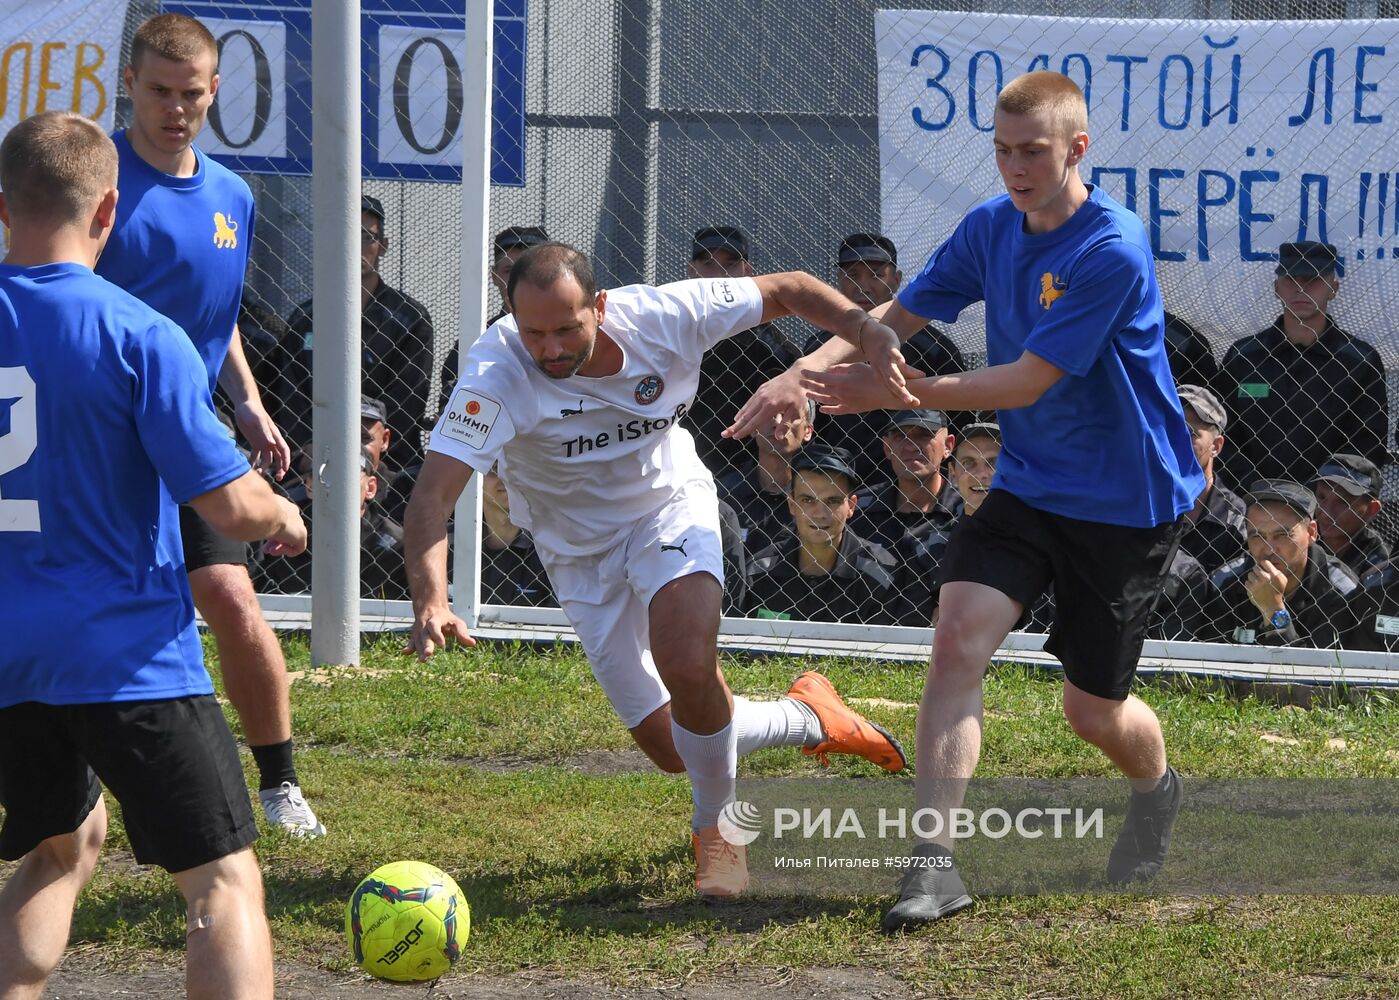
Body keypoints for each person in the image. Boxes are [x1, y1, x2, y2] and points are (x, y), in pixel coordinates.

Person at [741, 71, 1204, 928]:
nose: (1015, 167)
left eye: (1032, 151)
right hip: (1028, 487)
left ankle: (1156, 787)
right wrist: (793, 375)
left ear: (1077, 149)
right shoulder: (991, 226)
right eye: (1001, 149)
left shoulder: (1111, 245)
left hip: (1124, 501)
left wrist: (901, 397)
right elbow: (895, 317)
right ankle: (933, 865)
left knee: (1091, 709)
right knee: (955, 642)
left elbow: (1027, 382)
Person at [405, 242, 909, 898]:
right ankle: (809, 716)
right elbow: (431, 498)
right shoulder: (493, 374)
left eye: (567, 329)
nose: (551, 349)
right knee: (675, 747)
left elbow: (787, 287)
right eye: (534, 332)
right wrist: (431, 600)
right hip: (577, 555)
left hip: (668, 510)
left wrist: (866, 329)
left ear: (601, 306)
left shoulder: (665, 314)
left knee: (685, 659)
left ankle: (719, 832)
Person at [0, 110, 307, 1000]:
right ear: (107, 214)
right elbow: (226, 502)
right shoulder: (140, 335)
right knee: (222, 882)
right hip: (127, 661)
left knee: (66, 843)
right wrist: (282, 513)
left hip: (11, 662)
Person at [92, 13, 322, 836]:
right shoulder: (97, 183)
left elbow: (213, 314)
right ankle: (80, 784)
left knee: (231, 596)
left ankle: (279, 784)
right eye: (159, 91)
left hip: (188, 437)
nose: (175, 108)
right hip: (100, 444)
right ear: (130, 84)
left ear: (215, 92)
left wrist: (249, 399)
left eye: (191, 94)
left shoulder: (233, 195)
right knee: (99, 607)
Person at [278, 193, 436, 475]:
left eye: (367, 237)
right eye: (346, 235)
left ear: (383, 246)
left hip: (389, 465)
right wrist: (307, 448)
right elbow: (288, 393)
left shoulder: (410, 319)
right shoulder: (306, 317)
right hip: (313, 461)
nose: (356, 246)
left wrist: (365, 447)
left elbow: (408, 400)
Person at [1213, 241, 1389, 488]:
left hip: (1330, 509)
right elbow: (1222, 434)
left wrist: (1323, 494)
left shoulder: (1359, 362)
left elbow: (1367, 443)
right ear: (1276, 288)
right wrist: (1257, 493)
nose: (1301, 289)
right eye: (1291, 279)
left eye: (1314, 279)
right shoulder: (1244, 357)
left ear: (1333, 288)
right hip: (1250, 503)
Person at [819, 233, 967, 485]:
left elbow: (959, 422)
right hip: (840, 488)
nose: (864, 286)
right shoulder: (821, 348)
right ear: (838, 281)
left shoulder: (933, 348)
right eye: (853, 275)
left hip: (918, 490)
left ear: (896, 280)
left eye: (876, 274)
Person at [685, 225, 817, 474]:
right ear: (691, 270)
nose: (719, 275)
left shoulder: (773, 349)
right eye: (708, 263)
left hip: (747, 481)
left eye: (730, 264)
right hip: (680, 469)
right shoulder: (673, 335)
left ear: (747, 272)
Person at [745, 446, 911, 625]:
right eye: (807, 500)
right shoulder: (758, 571)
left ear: (851, 506)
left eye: (833, 501)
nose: (820, 514)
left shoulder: (881, 575)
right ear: (792, 504)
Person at [1205, 482, 1370, 648]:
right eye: (1257, 536)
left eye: (1282, 535)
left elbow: (1318, 671)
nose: (1269, 549)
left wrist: (1273, 610)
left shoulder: (1342, 591)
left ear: (1312, 532)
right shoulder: (1225, 582)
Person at [260, 447, 408, 602]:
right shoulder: (285, 532)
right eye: (326, 475)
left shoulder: (395, 546)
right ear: (309, 486)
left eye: (347, 475)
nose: (335, 483)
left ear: (370, 488)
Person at [437, 225, 550, 418]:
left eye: (529, 269)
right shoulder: (475, 339)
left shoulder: (570, 333)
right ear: (494, 275)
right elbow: (451, 407)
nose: (518, 279)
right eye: (509, 270)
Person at [715, 398, 817, 557]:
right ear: (754, 427)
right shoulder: (721, 493)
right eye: (769, 414)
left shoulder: (817, 500)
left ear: (807, 431)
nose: (777, 423)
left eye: (787, 415)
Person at [855, 410, 961, 552]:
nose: (911, 446)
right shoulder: (857, 508)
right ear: (887, 448)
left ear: (948, 446)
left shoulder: (967, 508)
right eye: (901, 436)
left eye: (924, 435)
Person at [1175, 384, 1248, 574]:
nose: (1177, 440)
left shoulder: (1234, 519)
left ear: (1216, 446)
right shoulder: (1144, 501)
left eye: (1191, 433)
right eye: (1171, 430)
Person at [480, 467, 556, 608]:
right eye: (494, 469)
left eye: (512, 466)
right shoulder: (447, 542)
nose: (505, 477)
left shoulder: (552, 546)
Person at [1312, 453, 1391, 580]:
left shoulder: (1380, 566)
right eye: (1321, 497)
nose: (1326, 511)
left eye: (1343, 502)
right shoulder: (1305, 543)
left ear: (1372, 509)